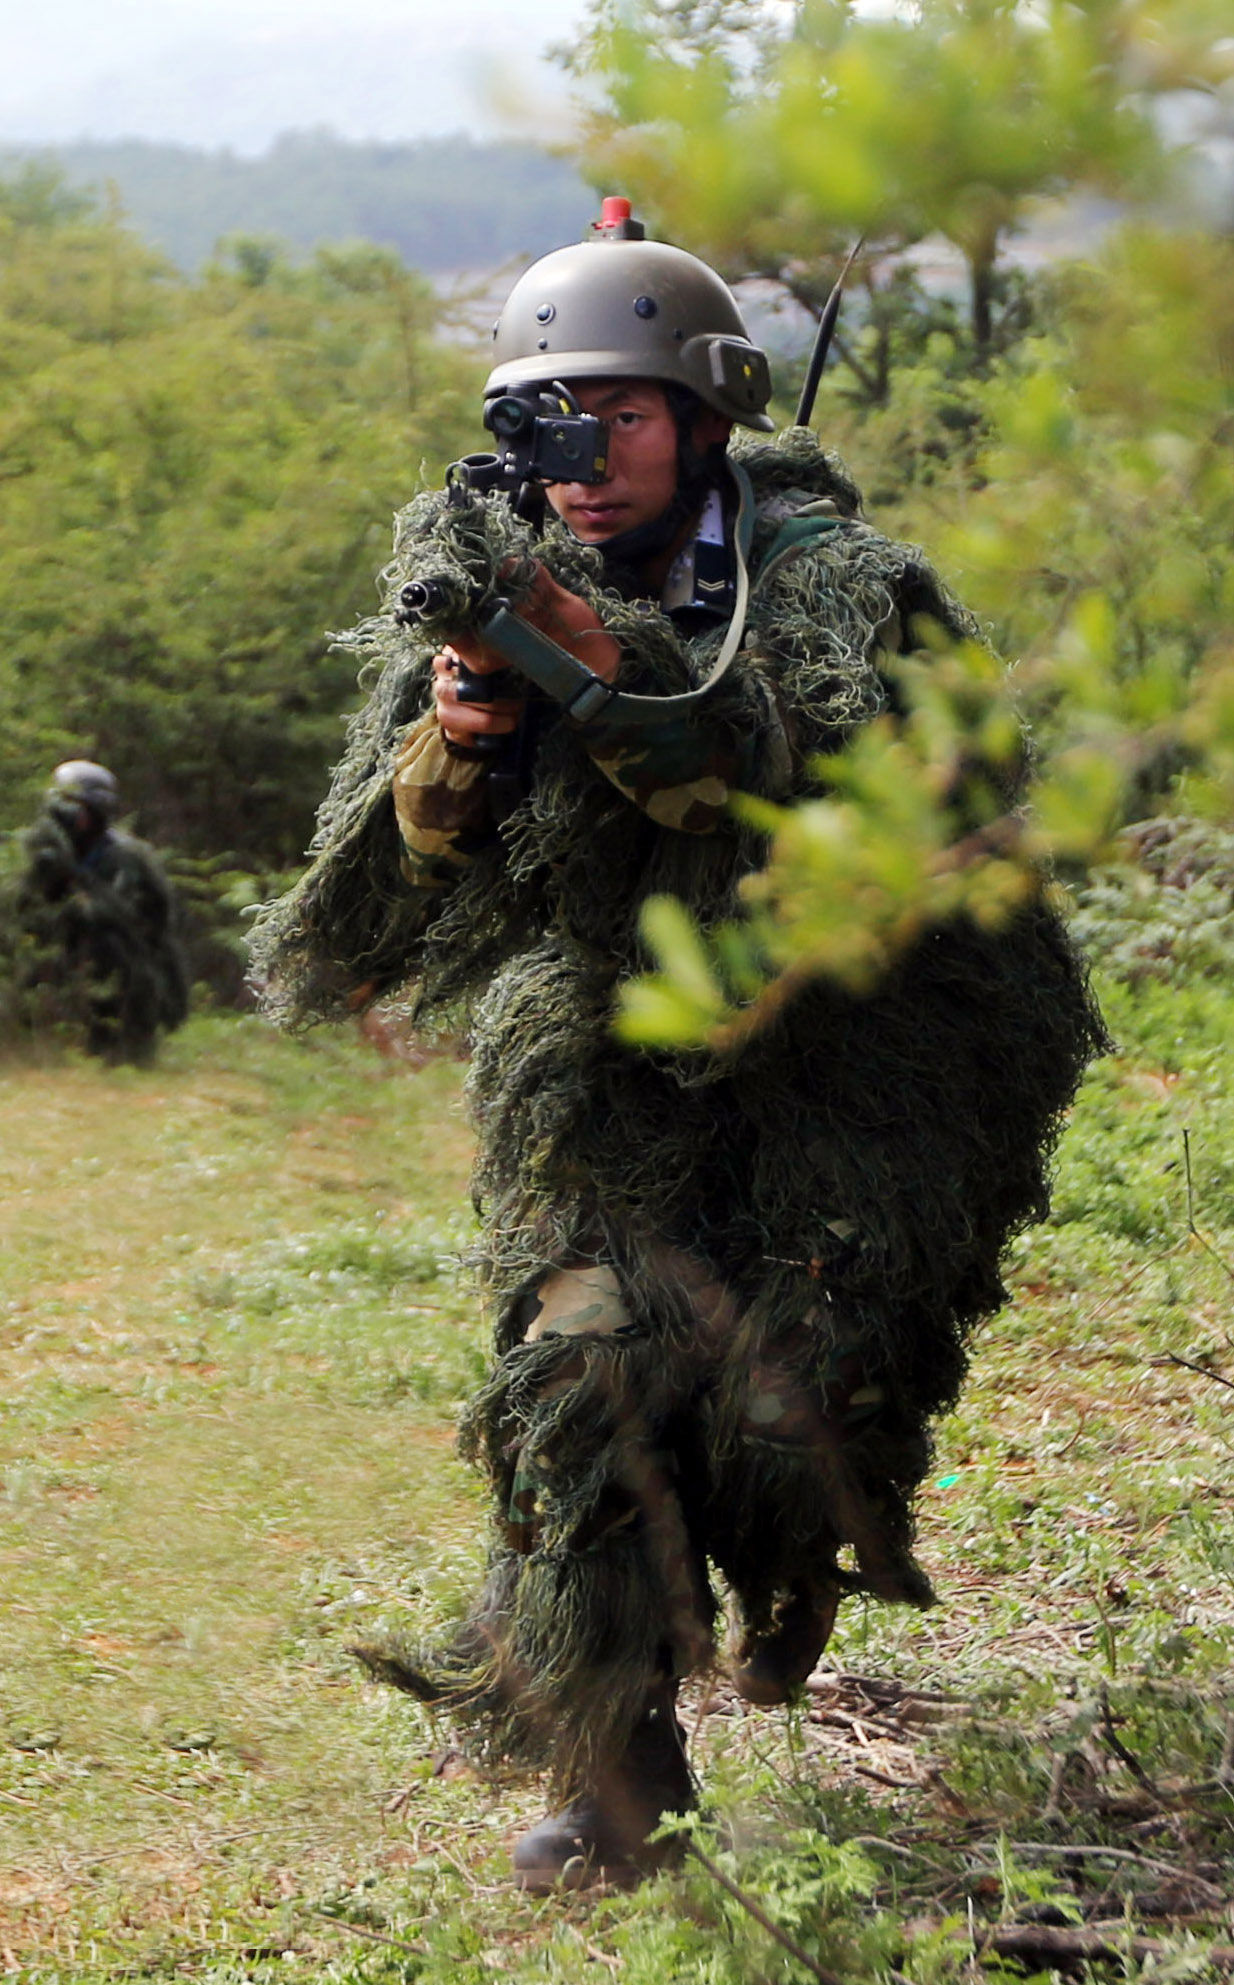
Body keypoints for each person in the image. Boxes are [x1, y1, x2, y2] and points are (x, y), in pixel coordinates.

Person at [251, 201, 1105, 1891]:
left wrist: (621, 694)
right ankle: (618, 1789)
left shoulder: (837, 591)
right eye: (538, 419)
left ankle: (780, 1582)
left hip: (858, 1057)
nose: (573, 455)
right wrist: (458, 745)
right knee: (575, 1381)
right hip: (603, 1050)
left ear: (702, 417)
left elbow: (892, 797)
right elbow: (378, 887)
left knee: (793, 1425)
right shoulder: (498, 583)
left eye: (615, 413)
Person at [16, 759, 190, 1066]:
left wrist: (81, 890)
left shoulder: (124, 857)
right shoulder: (49, 851)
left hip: (124, 961)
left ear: (96, 812)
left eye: (78, 808)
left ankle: (120, 1045)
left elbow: (134, 917)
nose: (69, 817)